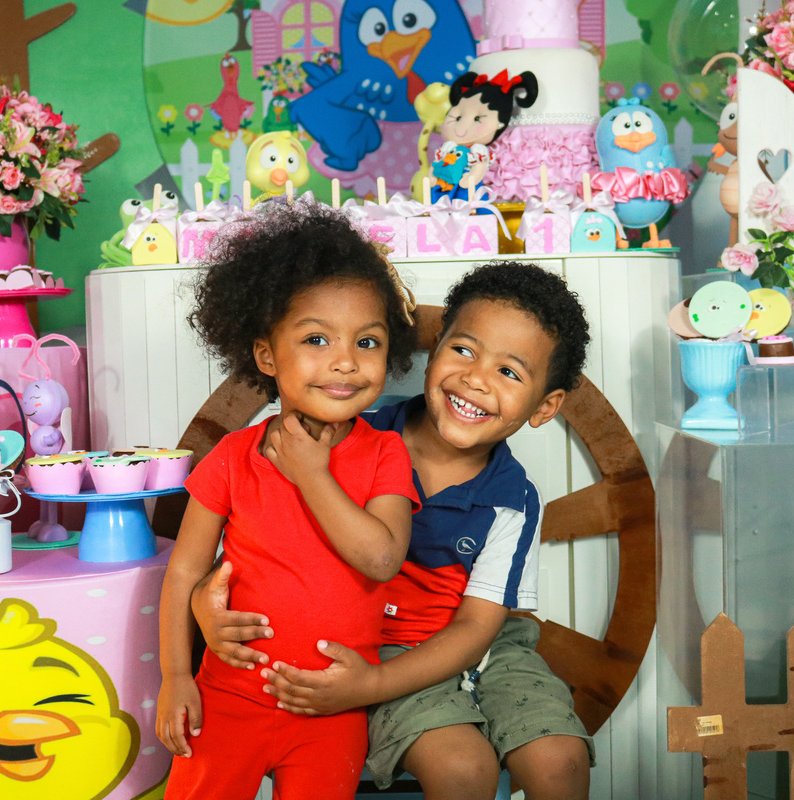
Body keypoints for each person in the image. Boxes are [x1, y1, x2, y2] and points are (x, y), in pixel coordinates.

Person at [195, 261, 595, 800]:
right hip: (378, 645)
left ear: (545, 407)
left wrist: (373, 687)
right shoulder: (347, 437)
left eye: (509, 371)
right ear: (435, 348)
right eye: (464, 350)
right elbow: (263, 545)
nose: (476, 379)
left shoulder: (513, 500)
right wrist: (203, 603)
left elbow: (477, 628)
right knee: (461, 770)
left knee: (560, 762)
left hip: (487, 644)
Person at [155, 201, 422, 800]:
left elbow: (382, 559)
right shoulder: (232, 457)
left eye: (368, 341)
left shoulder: (386, 454)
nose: (345, 361)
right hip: (228, 697)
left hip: (329, 706)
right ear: (267, 356)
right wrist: (175, 676)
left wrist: (311, 473)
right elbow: (185, 572)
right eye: (316, 339)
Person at [430, 70, 538, 206]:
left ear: (500, 124)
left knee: (471, 206)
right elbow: (437, 163)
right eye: (457, 118)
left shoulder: (478, 150)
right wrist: (432, 177)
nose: (463, 127)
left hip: (466, 190)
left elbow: (479, 167)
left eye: (477, 119)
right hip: (442, 186)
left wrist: (471, 179)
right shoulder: (448, 147)